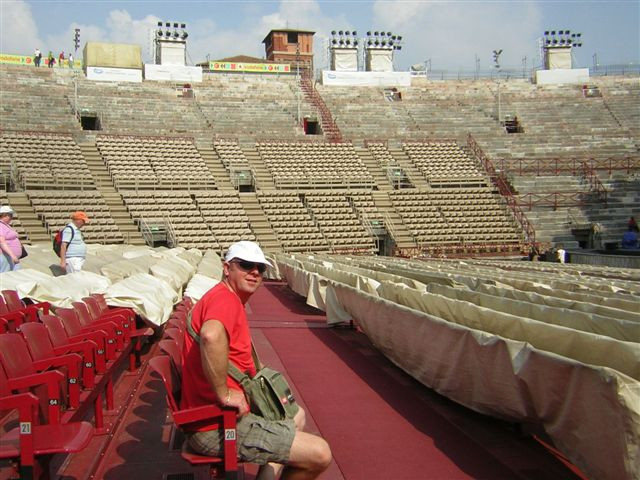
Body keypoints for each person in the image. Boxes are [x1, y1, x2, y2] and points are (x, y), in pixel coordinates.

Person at [181, 241, 331, 479]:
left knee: (296, 415)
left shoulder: (222, 296)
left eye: (260, 268)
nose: (255, 273)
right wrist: (225, 394)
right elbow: (211, 335)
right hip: (215, 425)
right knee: (320, 454)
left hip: (213, 416)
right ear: (226, 268)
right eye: (246, 265)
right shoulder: (226, 300)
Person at [0, 206, 24, 273]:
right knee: (5, 277)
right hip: (6, 257)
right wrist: (12, 255)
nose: (11, 217)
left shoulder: (5, 225)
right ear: (4, 215)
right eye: (10, 215)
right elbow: (2, 242)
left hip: (11, 258)